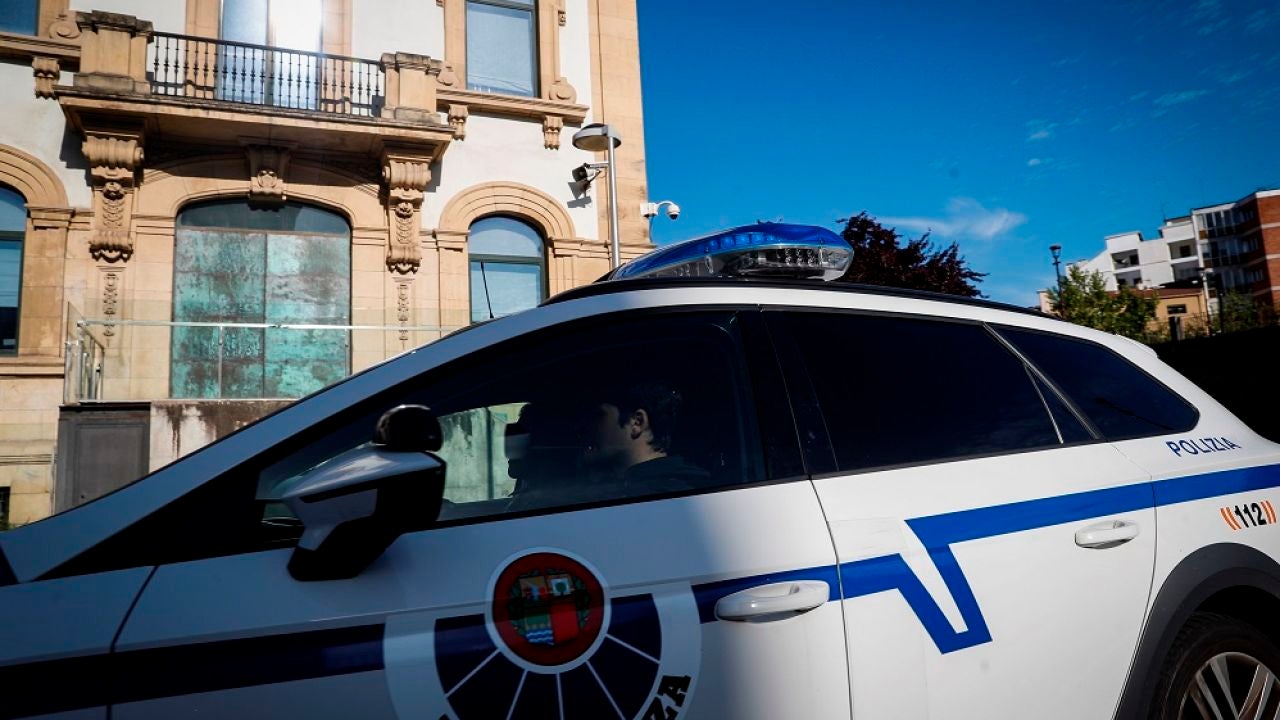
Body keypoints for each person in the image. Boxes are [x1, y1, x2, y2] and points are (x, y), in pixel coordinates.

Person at [582, 382, 709, 495]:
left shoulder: (666, 493)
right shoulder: (684, 487)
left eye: (598, 416)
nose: (584, 427)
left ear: (637, 423)